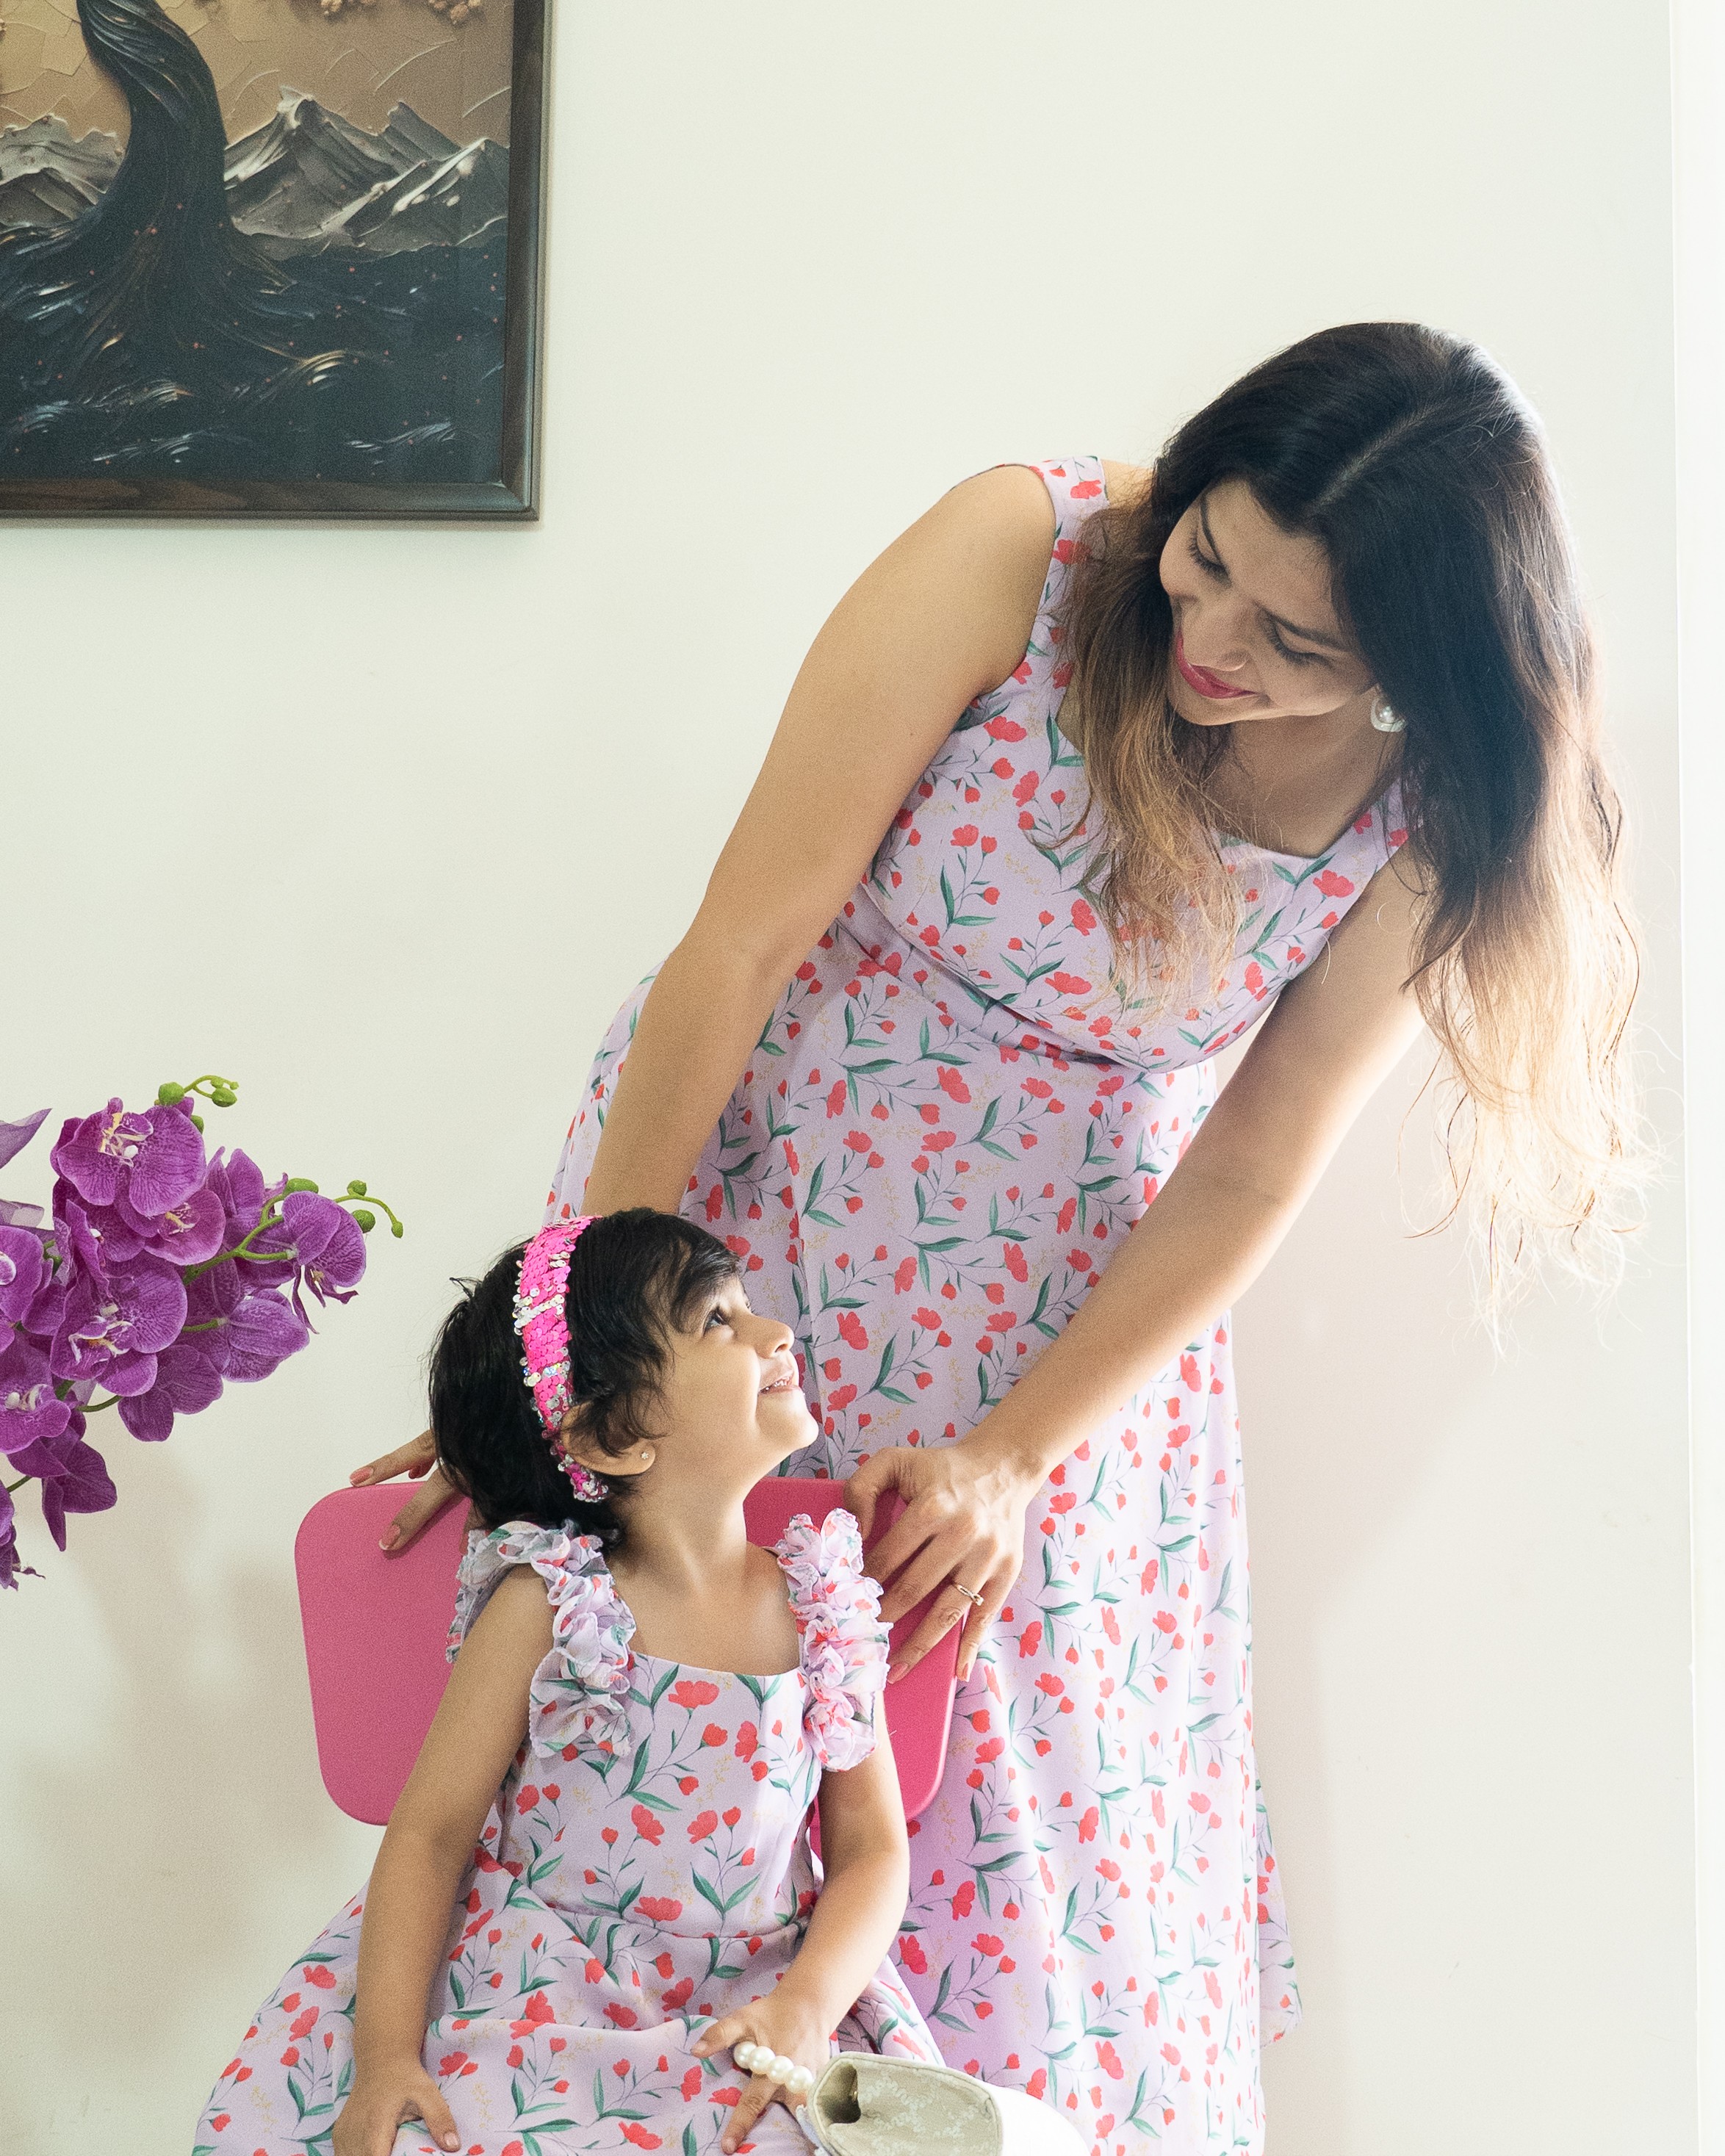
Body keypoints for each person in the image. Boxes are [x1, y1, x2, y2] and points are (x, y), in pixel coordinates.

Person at [355, 324, 1641, 2155]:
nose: (1214, 641)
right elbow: (740, 943)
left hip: (1061, 1329)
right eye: (1209, 557)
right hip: (753, 1235)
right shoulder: (1021, 552)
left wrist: (1012, 1457)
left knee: (1003, 1815)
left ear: (1413, 670)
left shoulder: (1432, 813)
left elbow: (1251, 1169)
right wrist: (560, 1337)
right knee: (662, 1736)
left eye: (1296, 644)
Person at [198, 1210, 948, 2156]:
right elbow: (430, 1836)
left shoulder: (822, 1604)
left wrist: (808, 2006)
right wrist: (387, 2056)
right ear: (613, 1436)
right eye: (716, 1320)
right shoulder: (551, 1604)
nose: (774, 1331)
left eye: (746, 1305)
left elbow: (871, 1850)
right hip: (540, 1990)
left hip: (759, 2004)